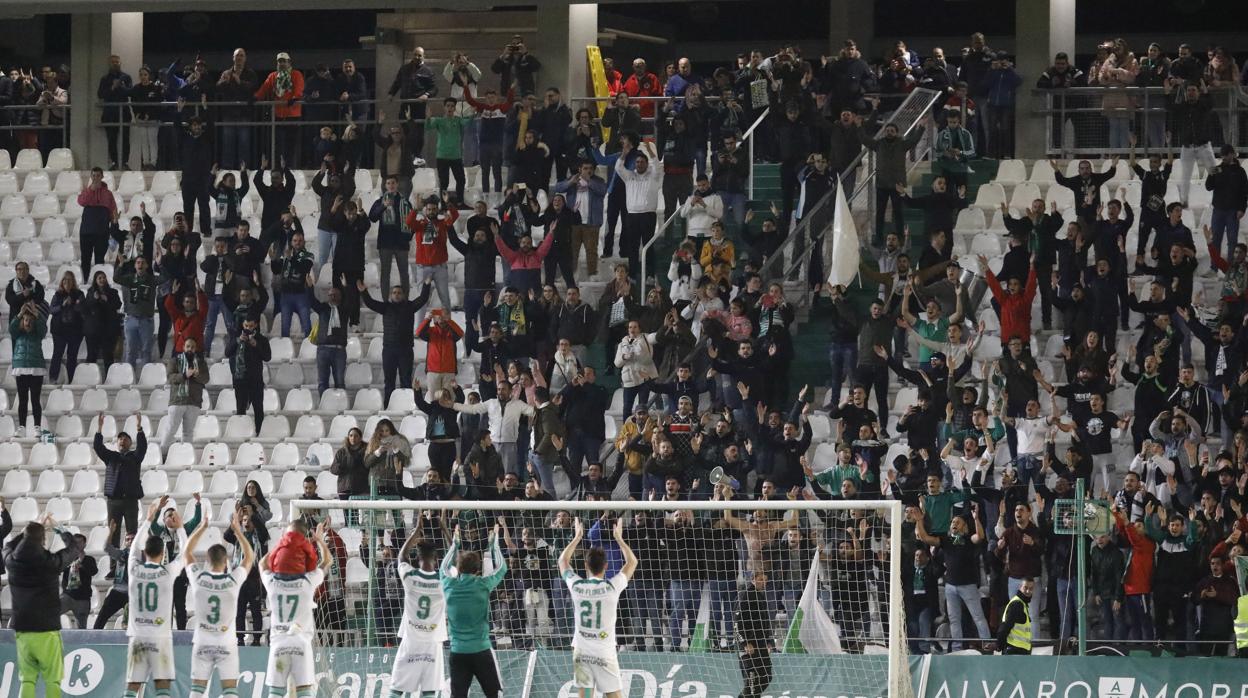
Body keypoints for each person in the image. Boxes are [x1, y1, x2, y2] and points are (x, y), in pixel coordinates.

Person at [4, 513, 84, 698]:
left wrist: (26, 532)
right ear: (43, 539)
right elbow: (74, 549)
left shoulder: (11, 561)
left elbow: (8, 546)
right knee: (52, 679)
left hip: (22, 630)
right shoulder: (50, 562)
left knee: (27, 679)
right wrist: (59, 529)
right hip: (46, 630)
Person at [558, 516, 637, 698]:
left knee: (585, 695)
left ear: (586, 566)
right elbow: (632, 563)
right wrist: (619, 538)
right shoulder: (612, 587)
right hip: (604, 650)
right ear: (606, 566)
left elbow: (562, 562)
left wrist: (577, 537)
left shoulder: (577, 586)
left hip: (581, 650)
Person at [186, 511, 255, 698]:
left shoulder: (198, 578)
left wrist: (202, 528)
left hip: (202, 642)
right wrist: (238, 531)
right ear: (226, 562)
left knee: (197, 691)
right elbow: (250, 557)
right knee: (230, 691)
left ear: (207, 561)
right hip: (226, 642)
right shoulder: (233, 580)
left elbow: (186, 552)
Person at [125, 496, 188, 698]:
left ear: (146, 552)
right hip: (160, 636)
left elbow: (134, 548)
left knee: (133, 686)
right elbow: (185, 555)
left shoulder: (134, 569)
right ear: (162, 553)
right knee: (162, 686)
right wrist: (180, 529)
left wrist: (148, 520)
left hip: (137, 636)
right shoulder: (167, 573)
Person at [260, 521, 331, 698]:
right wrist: (319, 540)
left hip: (279, 647)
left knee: (275, 693)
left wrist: (283, 542)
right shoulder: (308, 582)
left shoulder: (272, 583)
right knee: (304, 693)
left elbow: (262, 564)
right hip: (301, 645)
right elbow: (327, 561)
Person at [442, 523, 509, 698]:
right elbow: (502, 568)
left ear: (459, 567)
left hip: (457, 652)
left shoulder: (448, 584)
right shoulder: (483, 584)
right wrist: (494, 543)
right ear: (477, 569)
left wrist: (455, 544)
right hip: (480, 650)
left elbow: (443, 568)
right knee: (495, 694)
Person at [388, 526, 448, 698]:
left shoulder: (410, 577)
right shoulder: (443, 580)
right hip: (433, 642)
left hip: (411, 640)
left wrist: (414, 534)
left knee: (396, 688)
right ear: (436, 559)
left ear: (418, 558)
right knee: (429, 690)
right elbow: (456, 562)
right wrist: (445, 530)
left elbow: (401, 557)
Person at [361, 279, 433, 405]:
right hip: (389, 350)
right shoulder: (386, 307)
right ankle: (389, 406)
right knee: (389, 382)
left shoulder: (410, 306)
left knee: (405, 380)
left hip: (405, 350)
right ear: (391, 295)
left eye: (399, 292)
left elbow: (423, 298)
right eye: (394, 292)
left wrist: (427, 284)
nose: (396, 294)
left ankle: (407, 404)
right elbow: (370, 303)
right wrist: (364, 291)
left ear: (404, 295)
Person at [225, 315, 271, 433]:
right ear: (242, 325)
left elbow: (267, 357)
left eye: (251, 326)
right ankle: (242, 432)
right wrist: (237, 341)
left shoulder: (261, 339)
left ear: (255, 325)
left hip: (255, 379)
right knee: (240, 408)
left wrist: (256, 345)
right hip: (240, 379)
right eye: (246, 325)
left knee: (258, 408)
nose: (248, 328)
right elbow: (228, 352)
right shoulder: (236, 337)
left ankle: (259, 432)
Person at [163, 336, 209, 453]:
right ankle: (163, 455)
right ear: (183, 347)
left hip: (194, 401)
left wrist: (197, 375)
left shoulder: (201, 363)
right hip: (177, 400)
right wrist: (184, 375)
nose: (190, 349)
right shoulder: (175, 360)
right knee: (171, 430)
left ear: (195, 349)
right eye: (188, 346)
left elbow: (206, 379)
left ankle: (186, 455)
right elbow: (170, 378)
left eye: (193, 347)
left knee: (188, 432)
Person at [10, 304, 47, 438]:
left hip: (36, 367)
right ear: (22, 321)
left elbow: (43, 329)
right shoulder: (18, 333)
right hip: (21, 367)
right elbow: (11, 329)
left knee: (35, 399)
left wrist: (36, 314)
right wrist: (20, 313)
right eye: (25, 319)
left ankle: (37, 427)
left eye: (30, 320)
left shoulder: (38, 333)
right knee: (23, 399)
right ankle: (22, 427)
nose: (28, 322)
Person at [76, 167, 118, 280]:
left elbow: (113, 211)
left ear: (102, 176)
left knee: (99, 260)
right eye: (93, 175)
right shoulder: (86, 190)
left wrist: (114, 224)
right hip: (86, 232)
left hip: (102, 232)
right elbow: (81, 202)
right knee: (85, 259)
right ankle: (85, 281)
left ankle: (98, 283)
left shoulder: (108, 194)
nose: (95, 178)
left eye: (98, 175)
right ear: (91, 177)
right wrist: (91, 190)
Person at [736, 570, 773, 698]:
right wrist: (744, 643)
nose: (764, 583)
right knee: (751, 681)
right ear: (753, 579)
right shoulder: (745, 595)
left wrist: (768, 641)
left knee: (767, 676)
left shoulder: (760, 595)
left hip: (761, 643)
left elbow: (764, 621)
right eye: (761, 580)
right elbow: (737, 622)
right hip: (749, 646)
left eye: (765, 581)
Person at [997, 577, 1035, 655]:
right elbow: (1005, 627)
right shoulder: (1017, 604)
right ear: (1020, 587)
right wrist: (999, 645)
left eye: (1031, 588)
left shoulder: (1022, 604)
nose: (1028, 591)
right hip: (1014, 651)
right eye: (1025, 588)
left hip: (1018, 650)